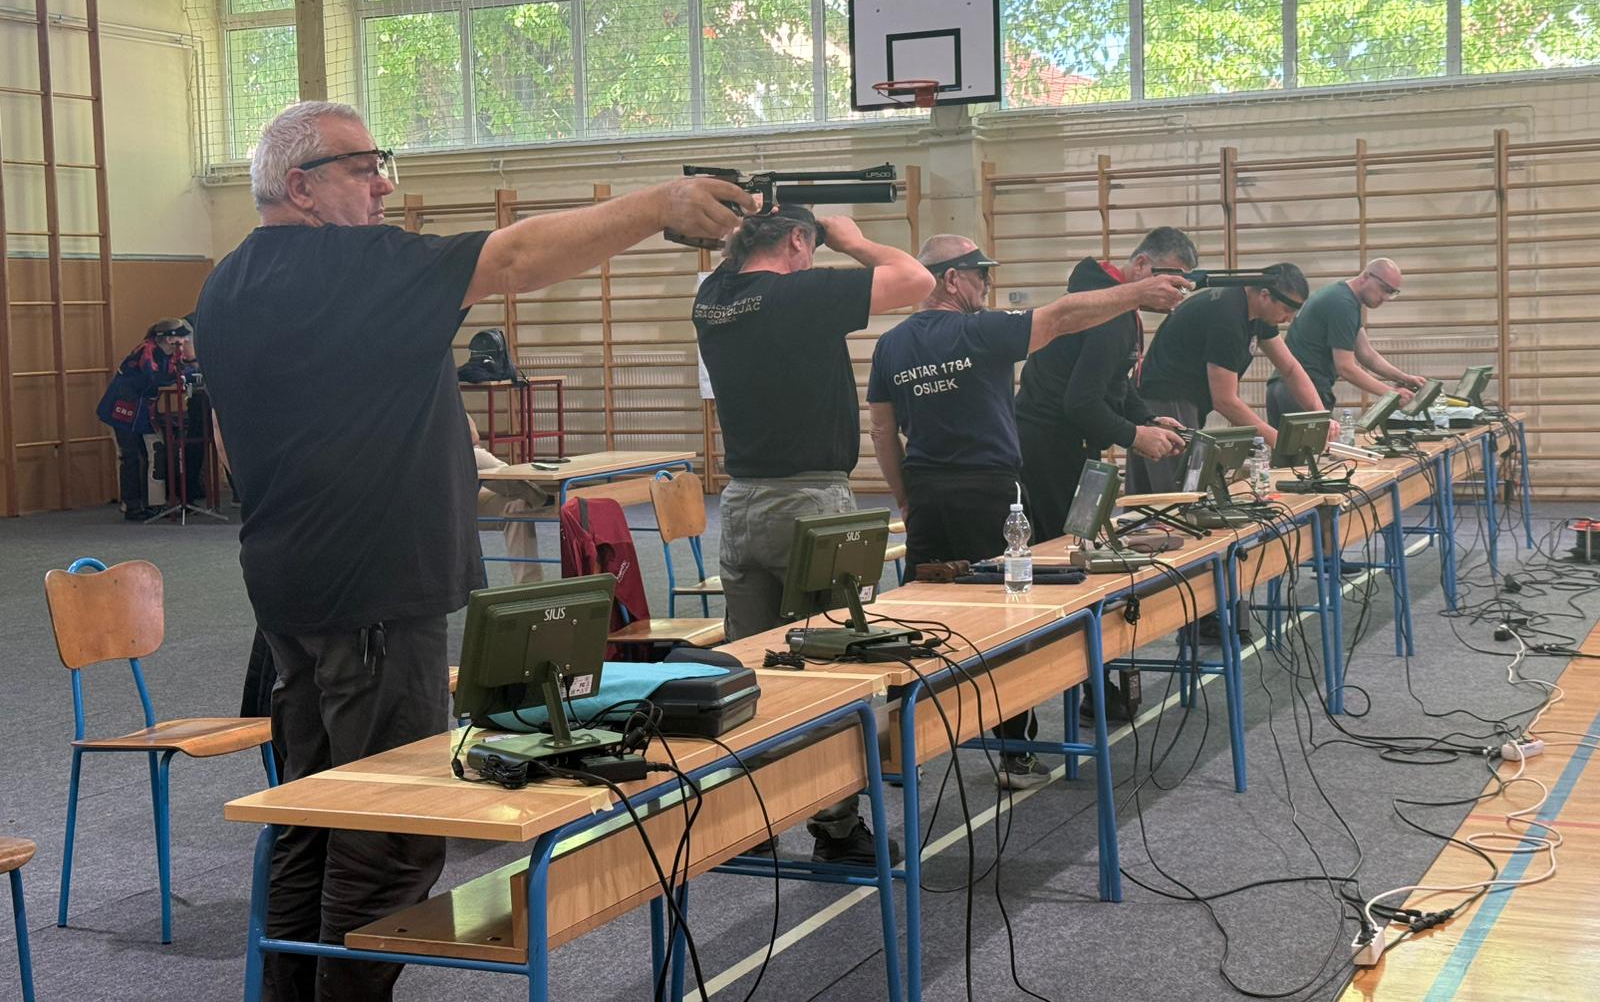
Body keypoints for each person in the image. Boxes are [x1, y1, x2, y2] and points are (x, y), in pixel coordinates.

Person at [195, 99, 753, 1002]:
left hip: (294, 580)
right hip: (373, 593)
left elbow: (231, 434)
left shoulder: (228, 283)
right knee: (392, 830)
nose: (383, 186)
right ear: (300, 186)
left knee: (314, 810)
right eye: (362, 167)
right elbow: (515, 257)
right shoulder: (350, 264)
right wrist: (660, 203)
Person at [867, 235, 1188, 788]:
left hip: (926, 491)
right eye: (980, 273)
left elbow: (881, 429)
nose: (988, 283)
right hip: (990, 491)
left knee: (919, 622)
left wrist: (904, 495)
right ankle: (1014, 754)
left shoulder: (891, 345)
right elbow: (1061, 316)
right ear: (951, 278)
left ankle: (902, 752)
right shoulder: (981, 331)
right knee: (1007, 622)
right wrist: (1138, 293)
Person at [694, 202, 931, 864]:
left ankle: (750, 821)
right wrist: (853, 240)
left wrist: (754, 220)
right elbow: (916, 279)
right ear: (798, 241)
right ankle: (836, 826)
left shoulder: (713, 299)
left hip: (741, 503)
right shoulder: (800, 295)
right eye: (813, 246)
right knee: (833, 667)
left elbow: (735, 257)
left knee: (751, 670)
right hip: (812, 502)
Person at [1015, 227, 1199, 543]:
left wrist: (1147, 419)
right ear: (1141, 265)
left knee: (1078, 541)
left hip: (1062, 440)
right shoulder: (1109, 316)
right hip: (1050, 447)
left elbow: (1116, 379)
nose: (1175, 294)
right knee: (1063, 547)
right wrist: (1135, 435)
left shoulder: (1112, 304)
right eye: (1170, 283)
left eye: (1181, 288)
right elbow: (1081, 403)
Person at [1128, 263, 1323, 499]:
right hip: (1165, 403)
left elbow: (1290, 368)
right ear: (1264, 295)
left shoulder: (1256, 313)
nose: (1289, 319)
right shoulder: (1227, 316)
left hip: (1174, 401)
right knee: (1178, 499)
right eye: (1287, 309)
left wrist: (1320, 417)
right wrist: (1280, 442)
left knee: (1156, 500)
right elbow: (1225, 401)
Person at [1266, 258, 1424, 427]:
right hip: (1300, 391)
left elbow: (1366, 353)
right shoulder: (1343, 304)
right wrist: (1390, 394)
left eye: (1391, 292)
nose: (1385, 297)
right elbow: (1345, 367)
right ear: (1366, 277)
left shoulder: (1344, 298)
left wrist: (1403, 377)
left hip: (1284, 388)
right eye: (1384, 289)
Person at [95, 318, 198, 519]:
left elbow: (179, 372)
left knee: (155, 452)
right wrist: (187, 373)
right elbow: (156, 377)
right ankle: (131, 505)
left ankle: (154, 503)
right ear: (169, 339)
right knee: (130, 456)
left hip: (142, 413)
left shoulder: (170, 353)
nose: (184, 342)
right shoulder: (146, 350)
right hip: (120, 411)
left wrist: (191, 369)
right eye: (181, 338)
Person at [469, 416, 547, 584]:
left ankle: (530, 587)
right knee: (475, 455)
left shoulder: (449, 405)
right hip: (437, 506)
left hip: (468, 496)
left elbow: (473, 436)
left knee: (516, 507)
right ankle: (542, 498)